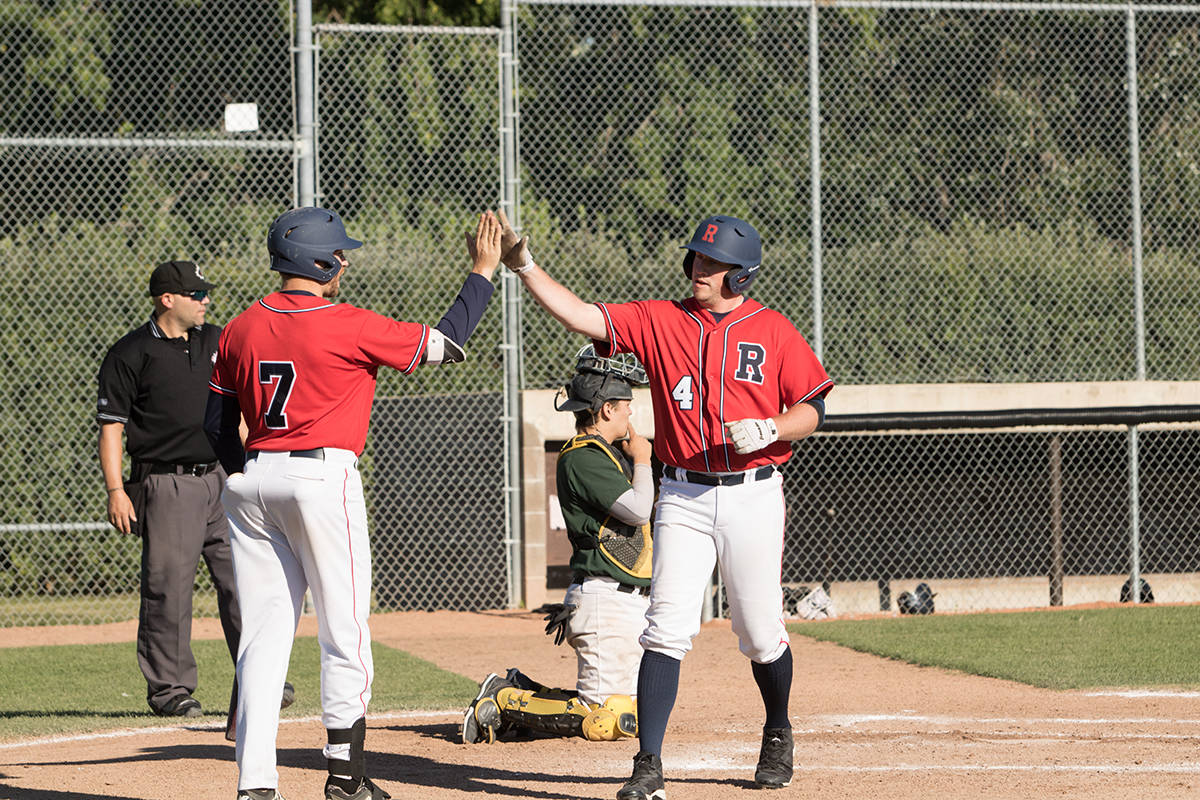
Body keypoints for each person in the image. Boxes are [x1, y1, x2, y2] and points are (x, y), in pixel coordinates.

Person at [497, 212, 833, 798]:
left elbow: (813, 409)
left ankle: (777, 730)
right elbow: (583, 315)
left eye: (713, 264)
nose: (699, 269)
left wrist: (772, 427)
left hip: (754, 493)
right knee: (665, 630)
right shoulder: (661, 319)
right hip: (683, 493)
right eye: (697, 259)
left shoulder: (773, 329)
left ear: (741, 275)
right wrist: (524, 267)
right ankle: (648, 764)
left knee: (758, 632)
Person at [205, 207, 501, 800]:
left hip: (253, 481)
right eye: (338, 254)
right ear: (321, 262)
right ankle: (344, 776)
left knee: (263, 640)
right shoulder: (347, 322)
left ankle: (256, 786)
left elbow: (214, 425)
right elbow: (446, 344)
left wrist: (254, 473)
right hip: (322, 479)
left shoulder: (238, 327)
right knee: (345, 631)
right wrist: (483, 273)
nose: (344, 262)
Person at [461, 345, 653, 745]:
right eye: (624, 406)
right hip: (604, 601)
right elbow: (637, 510)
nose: (630, 413)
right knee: (604, 722)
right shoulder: (584, 457)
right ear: (604, 410)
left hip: (627, 602)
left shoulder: (608, 454)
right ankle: (505, 697)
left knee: (633, 713)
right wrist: (644, 460)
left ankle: (518, 693)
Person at [96, 259, 243, 720]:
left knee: (245, 582)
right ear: (167, 299)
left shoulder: (220, 340)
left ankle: (259, 675)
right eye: (196, 294)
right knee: (169, 591)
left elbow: (240, 411)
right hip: (167, 482)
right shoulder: (130, 352)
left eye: (205, 294)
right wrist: (117, 489)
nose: (206, 301)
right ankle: (171, 690)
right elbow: (112, 428)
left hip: (223, 479)